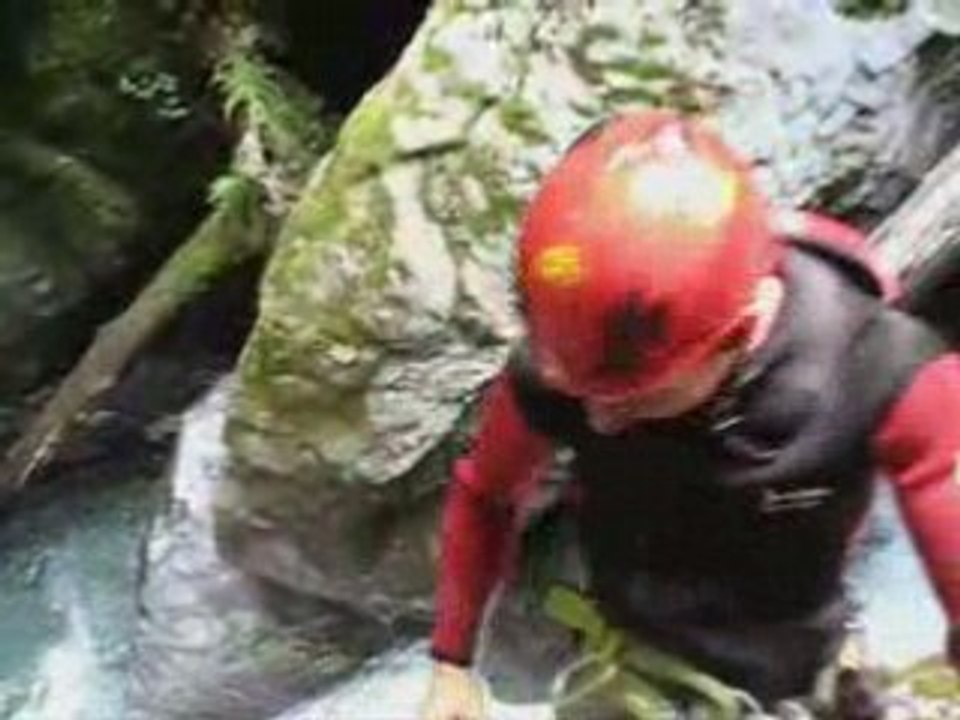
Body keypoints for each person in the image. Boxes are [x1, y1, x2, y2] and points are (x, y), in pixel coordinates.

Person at [419, 110, 960, 719]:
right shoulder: (573, 364)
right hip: (635, 661)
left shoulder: (884, 372)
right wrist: (451, 664)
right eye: (582, 389)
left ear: (742, 331)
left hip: (806, 663)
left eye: (636, 398)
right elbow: (486, 493)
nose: (596, 419)